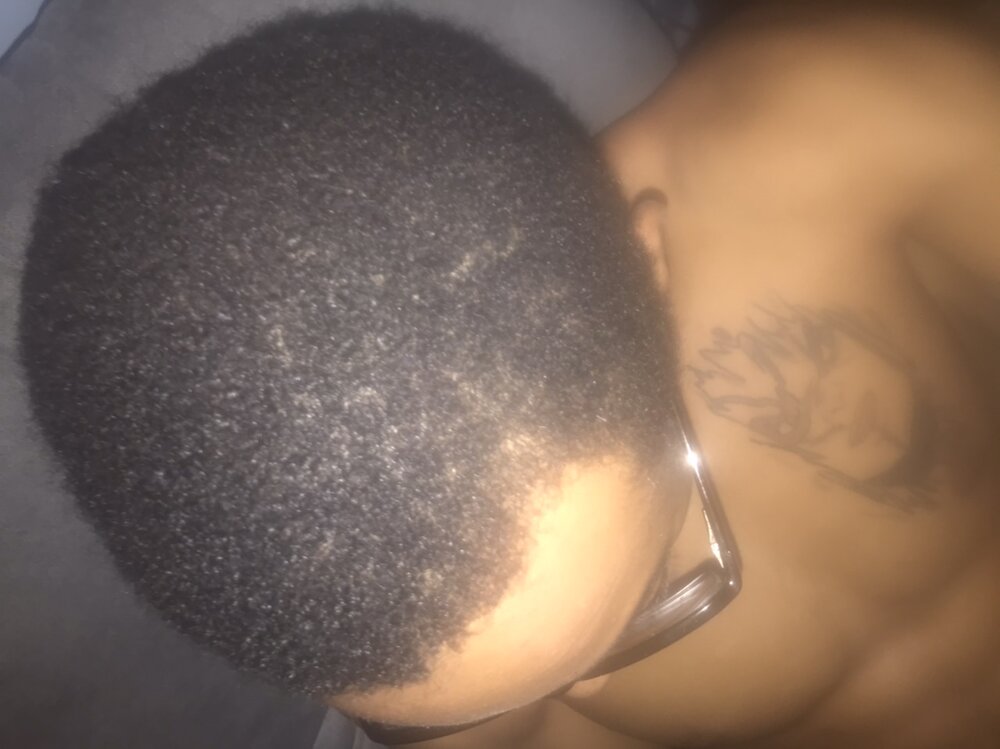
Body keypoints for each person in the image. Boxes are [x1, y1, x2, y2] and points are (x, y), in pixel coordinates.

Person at [17, 4, 999, 749]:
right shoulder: (433, 673)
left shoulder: (831, 129)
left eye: (655, 587)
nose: (594, 690)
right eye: (549, 680)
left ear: (647, 262)